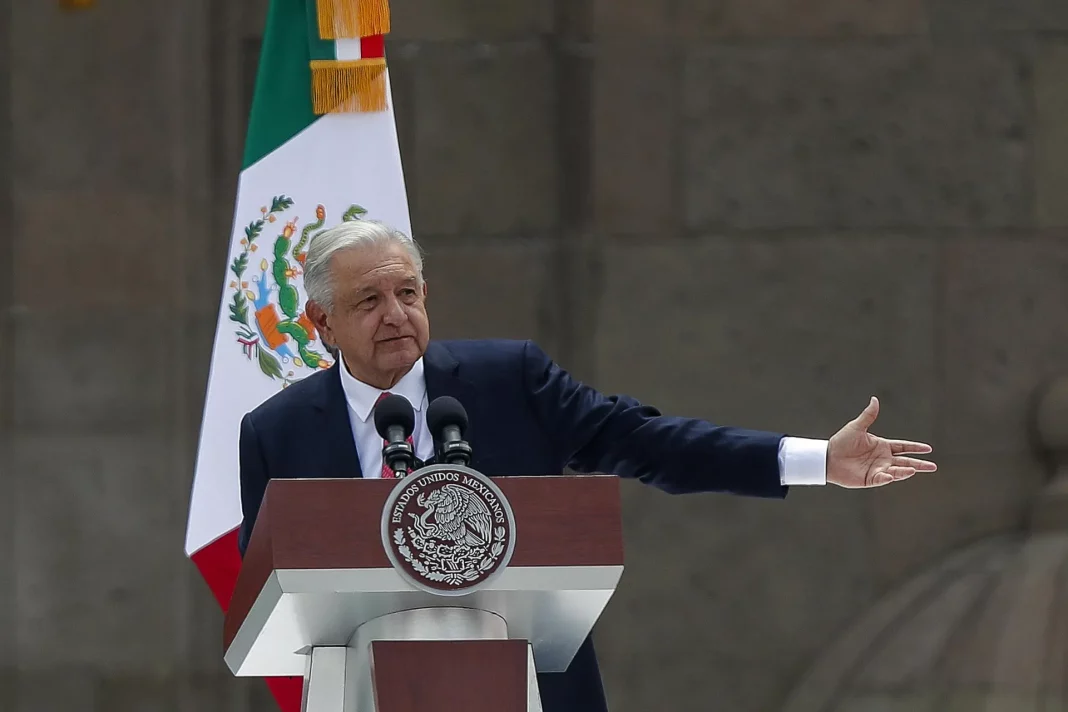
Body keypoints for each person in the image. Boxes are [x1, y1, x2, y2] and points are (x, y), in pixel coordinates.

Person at [236, 219, 936, 712]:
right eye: (369, 301)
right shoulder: (279, 432)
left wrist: (816, 461)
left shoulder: (507, 380)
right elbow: (267, 596)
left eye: (408, 293)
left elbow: (644, 441)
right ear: (321, 324)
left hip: (533, 690)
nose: (396, 315)